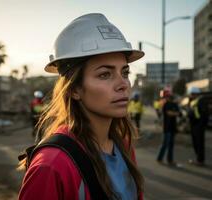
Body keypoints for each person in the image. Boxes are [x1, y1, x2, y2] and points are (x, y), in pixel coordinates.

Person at [19, 13, 144, 200]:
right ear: (75, 89)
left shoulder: (123, 145)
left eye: (124, 72)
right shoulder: (51, 165)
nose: (123, 84)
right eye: (105, 75)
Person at [156, 90, 180, 165]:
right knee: (165, 144)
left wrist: (174, 113)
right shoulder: (165, 104)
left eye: (166, 96)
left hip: (173, 127)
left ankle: (170, 160)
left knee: (171, 145)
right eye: (165, 96)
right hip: (166, 127)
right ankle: (159, 158)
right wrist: (174, 113)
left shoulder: (174, 104)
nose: (165, 98)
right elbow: (168, 113)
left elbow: (178, 113)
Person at [187, 87, 208, 166]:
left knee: (199, 143)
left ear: (195, 94)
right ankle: (198, 158)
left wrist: (201, 125)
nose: (190, 96)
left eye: (191, 94)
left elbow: (204, 114)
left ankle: (200, 160)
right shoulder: (193, 101)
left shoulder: (201, 101)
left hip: (198, 125)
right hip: (194, 125)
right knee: (195, 143)